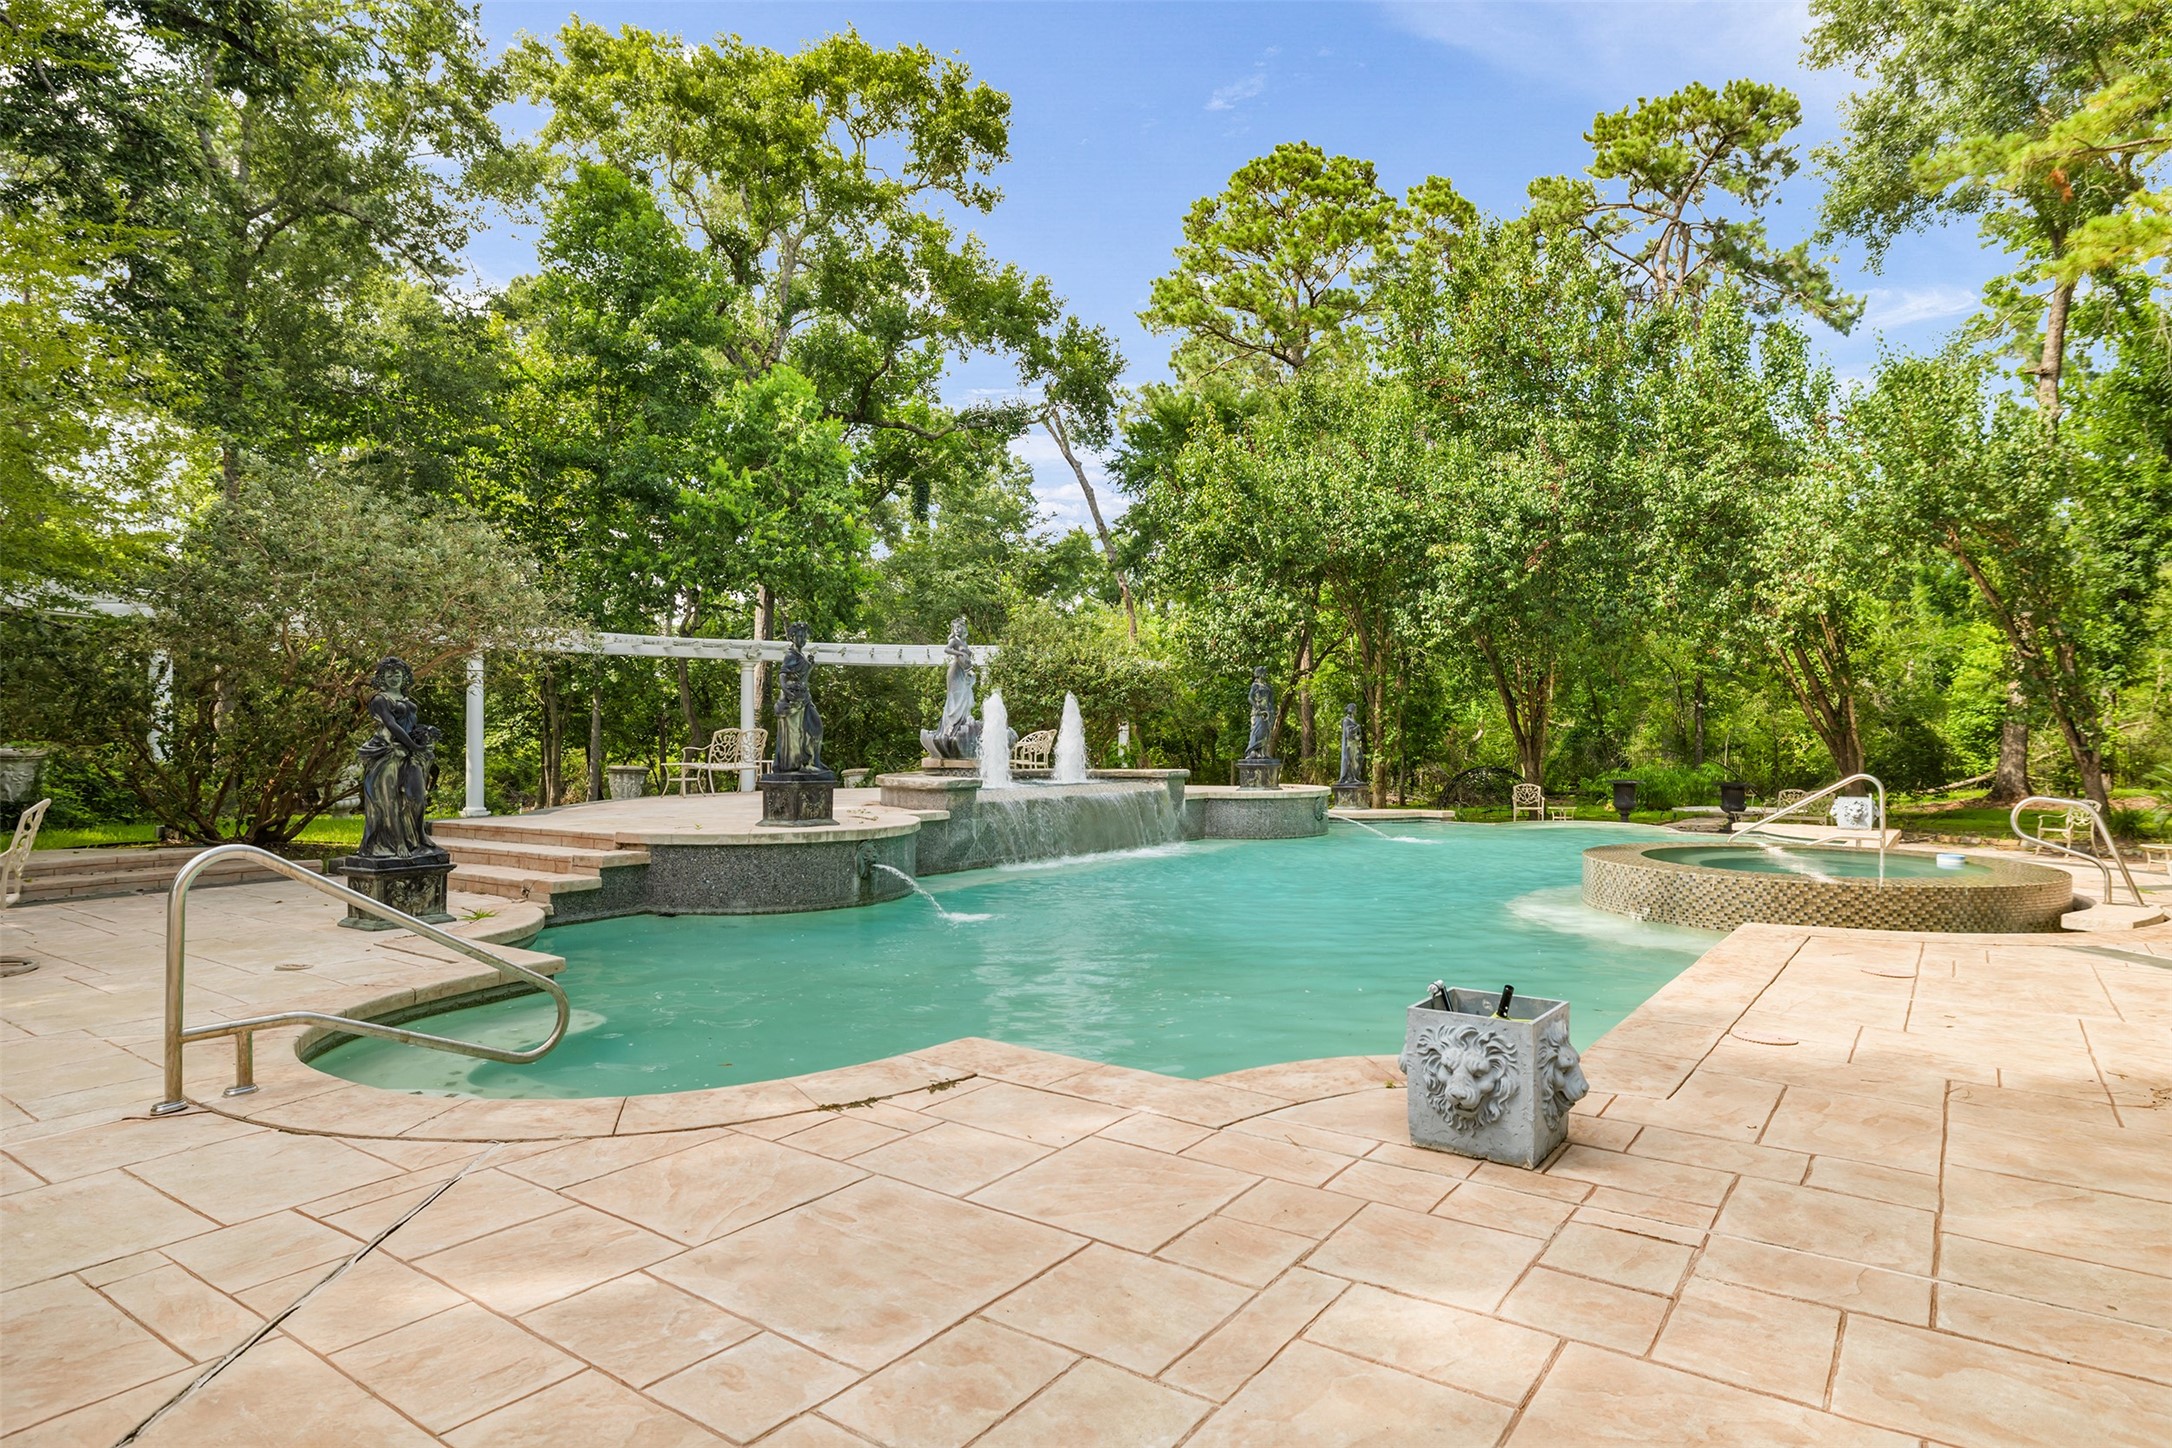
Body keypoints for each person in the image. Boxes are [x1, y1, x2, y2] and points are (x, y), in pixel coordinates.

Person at [356, 657, 441, 859]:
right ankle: (398, 843)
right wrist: (413, 745)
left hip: (410, 754)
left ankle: (419, 836)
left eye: (398, 673)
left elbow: (409, 727)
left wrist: (425, 734)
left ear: (405, 677)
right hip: (387, 752)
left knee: (417, 797)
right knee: (389, 800)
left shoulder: (408, 701)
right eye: (389, 673)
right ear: (382, 677)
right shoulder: (380, 699)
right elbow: (391, 725)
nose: (394, 677)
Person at [773, 622, 827, 774]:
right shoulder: (791, 655)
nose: (803, 639)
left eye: (805, 636)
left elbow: (802, 678)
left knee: (816, 727)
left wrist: (809, 666)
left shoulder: (800, 656)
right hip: (794, 700)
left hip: (805, 698)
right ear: (792, 637)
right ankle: (802, 762)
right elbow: (783, 675)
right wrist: (787, 691)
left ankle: (813, 760)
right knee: (799, 731)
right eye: (800, 636)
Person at [1244, 667, 1274, 760]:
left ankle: (1262, 752)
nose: (1266, 674)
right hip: (1258, 713)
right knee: (1257, 731)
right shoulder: (1255, 685)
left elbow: (1271, 701)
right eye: (1264, 672)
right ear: (1259, 673)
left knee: (1265, 732)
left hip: (1267, 712)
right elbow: (1250, 698)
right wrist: (1258, 707)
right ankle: (1253, 751)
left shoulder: (1268, 686)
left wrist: (1271, 711)